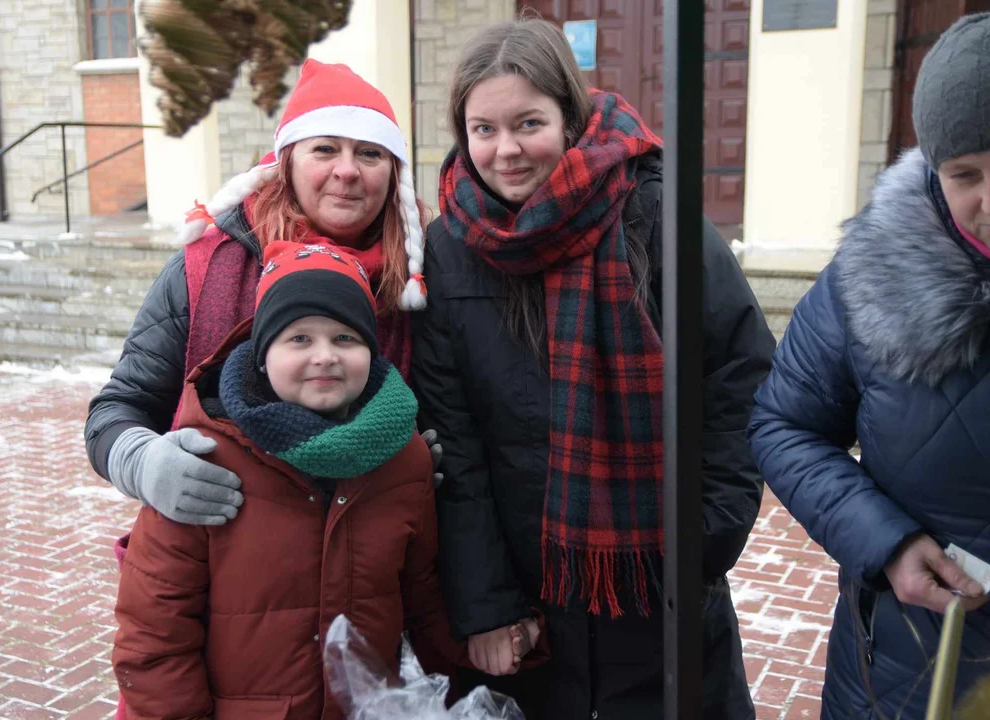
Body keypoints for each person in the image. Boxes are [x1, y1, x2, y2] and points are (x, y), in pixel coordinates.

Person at [410, 18, 776, 720]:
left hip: (663, 586)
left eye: (528, 123)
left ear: (569, 118)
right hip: (529, 607)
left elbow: (740, 373)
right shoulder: (449, 244)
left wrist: (704, 541)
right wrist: (488, 604)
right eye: (483, 129)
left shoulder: (653, 211)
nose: (506, 149)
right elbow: (453, 442)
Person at [112, 241, 542, 719]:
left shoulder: (404, 460)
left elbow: (423, 602)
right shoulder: (206, 457)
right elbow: (154, 634)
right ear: (262, 355)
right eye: (299, 339)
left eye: (345, 338)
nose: (325, 357)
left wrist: (488, 640)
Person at [748, 13, 990, 719]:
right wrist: (885, 541)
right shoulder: (870, 277)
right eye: (966, 174)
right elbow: (783, 424)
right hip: (904, 672)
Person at [84, 58, 434, 529]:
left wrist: (420, 466)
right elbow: (120, 406)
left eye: (370, 154)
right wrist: (140, 461)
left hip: (367, 573)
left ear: (393, 172)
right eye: (325, 149)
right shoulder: (206, 265)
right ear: (286, 162)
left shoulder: (422, 275)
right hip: (229, 566)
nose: (348, 171)